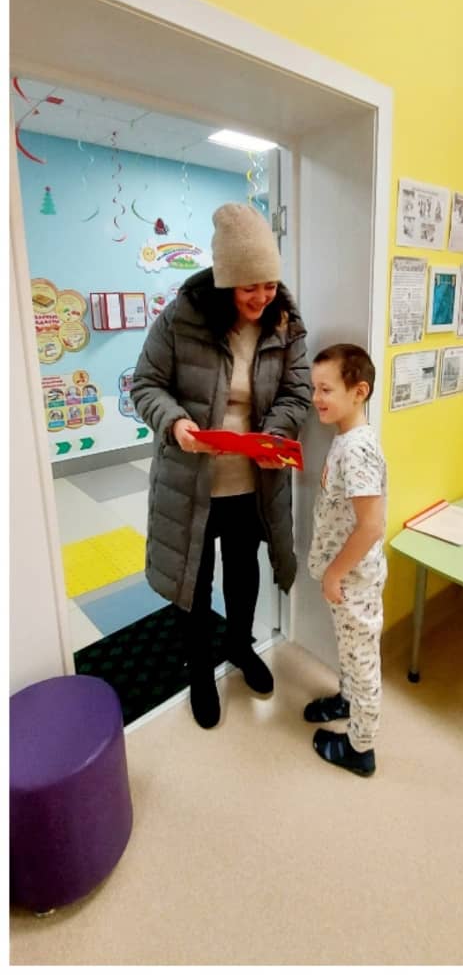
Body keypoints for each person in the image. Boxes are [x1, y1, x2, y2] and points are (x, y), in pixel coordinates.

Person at [132, 203, 312, 728]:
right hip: (191, 480)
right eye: (248, 286)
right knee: (194, 579)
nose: (262, 297)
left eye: (269, 284)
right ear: (224, 281)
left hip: (252, 481)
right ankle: (198, 672)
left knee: (243, 568)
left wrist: (273, 433)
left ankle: (239, 644)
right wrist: (176, 425)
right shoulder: (182, 318)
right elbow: (146, 384)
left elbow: (297, 392)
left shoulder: (285, 323)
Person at [304, 344, 388, 778]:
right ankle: (348, 700)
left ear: (359, 392)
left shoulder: (357, 450)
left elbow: (371, 525)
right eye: (314, 388)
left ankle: (361, 747)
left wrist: (334, 574)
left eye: (326, 389)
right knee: (350, 651)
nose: (316, 398)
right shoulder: (346, 439)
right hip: (346, 577)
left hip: (353, 578)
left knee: (362, 660)